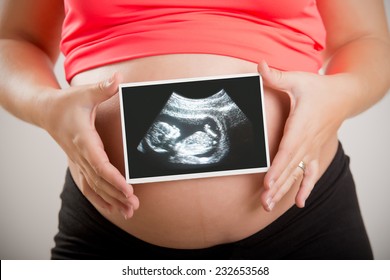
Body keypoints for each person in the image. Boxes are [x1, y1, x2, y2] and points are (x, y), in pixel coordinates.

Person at [0, 0, 389, 260]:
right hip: (109, 222)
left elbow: (367, 40)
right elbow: (15, 40)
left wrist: (339, 95)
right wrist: (45, 107)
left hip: (304, 216)